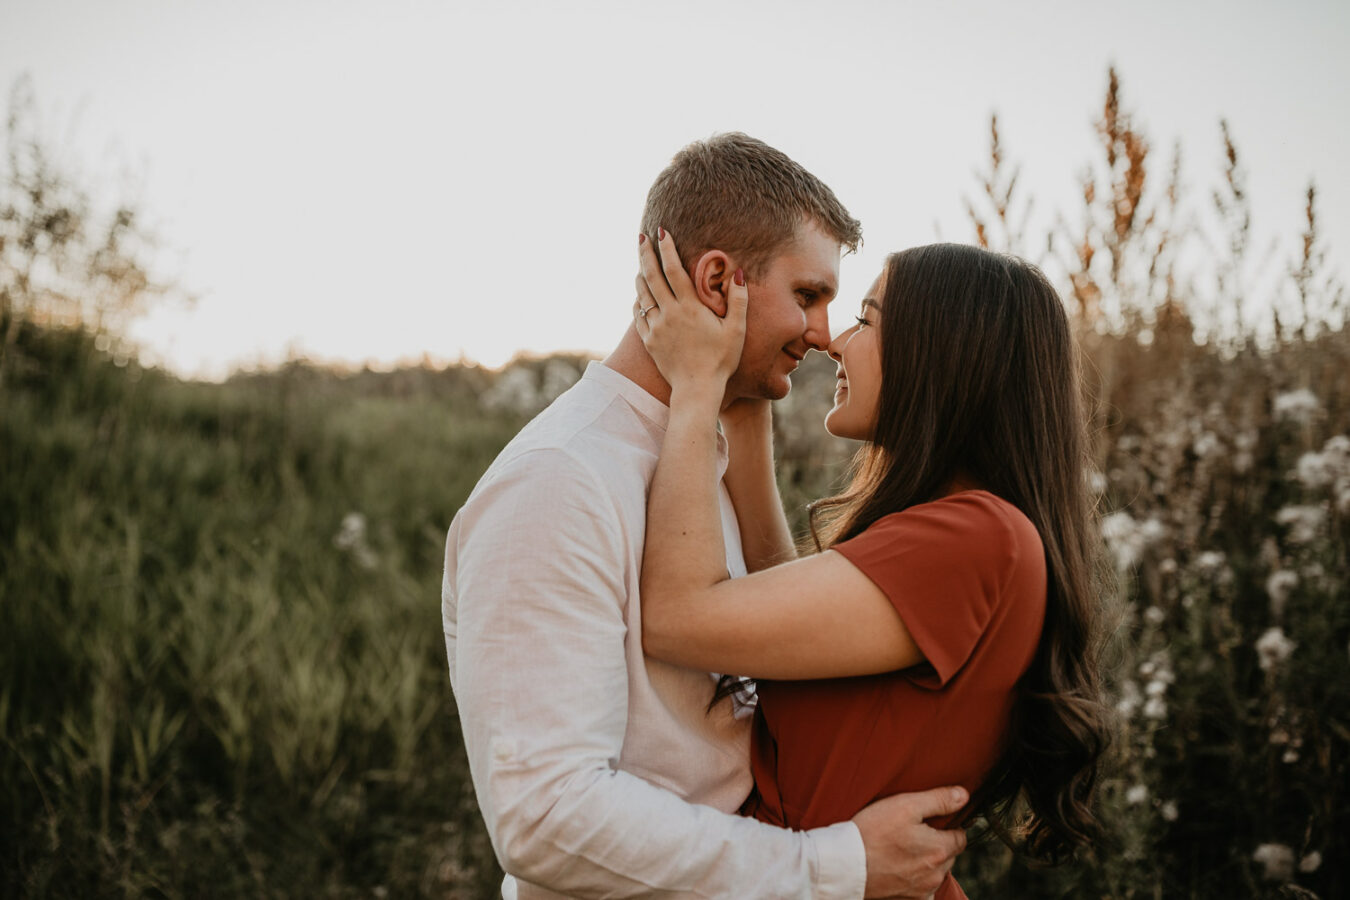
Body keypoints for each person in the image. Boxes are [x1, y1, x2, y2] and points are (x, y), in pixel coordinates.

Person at [443, 133, 968, 900]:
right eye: (810, 296)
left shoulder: (699, 454)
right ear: (719, 280)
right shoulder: (557, 483)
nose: (824, 335)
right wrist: (830, 867)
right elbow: (544, 816)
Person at [631, 234, 1112, 900]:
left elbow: (677, 616)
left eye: (868, 320)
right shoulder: (973, 533)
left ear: (943, 358)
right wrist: (744, 400)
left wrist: (694, 386)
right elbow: (770, 621)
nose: (835, 341)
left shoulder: (977, 538)